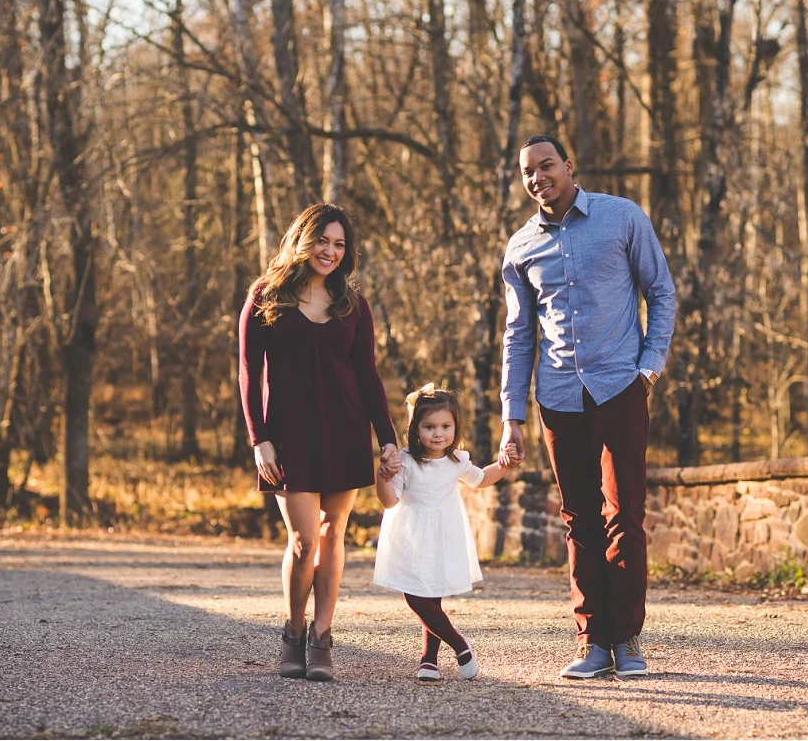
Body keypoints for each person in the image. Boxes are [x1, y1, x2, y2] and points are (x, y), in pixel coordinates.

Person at [497, 135, 677, 679]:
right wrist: (512, 417)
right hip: (557, 397)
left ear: (569, 166)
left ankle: (626, 639)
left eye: (546, 165)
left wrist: (649, 367)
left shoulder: (622, 218)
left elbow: (661, 292)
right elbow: (518, 335)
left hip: (621, 386)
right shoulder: (520, 247)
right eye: (528, 171)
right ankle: (591, 641)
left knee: (623, 515)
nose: (537, 178)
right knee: (579, 521)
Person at [239, 203, 401, 682]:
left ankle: (322, 637)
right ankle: (293, 631)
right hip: (288, 435)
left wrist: (386, 439)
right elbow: (249, 373)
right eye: (322, 242)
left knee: (335, 535)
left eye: (339, 245)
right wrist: (258, 439)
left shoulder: (353, 304)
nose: (330, 252)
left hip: (345, 430)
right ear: (302, 240)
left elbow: (368, 376)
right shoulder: (266, 296)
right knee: (303, 537)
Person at [373, 385, 518, 682]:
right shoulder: (405, 460)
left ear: (456, 427)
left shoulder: (457, 461)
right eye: (429, 427)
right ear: (415, 429)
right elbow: (389, 501)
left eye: (445, 426)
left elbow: (480, 479)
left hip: (443, 533)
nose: (438, 433)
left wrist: (504, 465)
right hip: (410, 534)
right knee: (415, 596)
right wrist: (382, 478)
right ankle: (460, 645)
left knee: (434, 596)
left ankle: (429, 660)